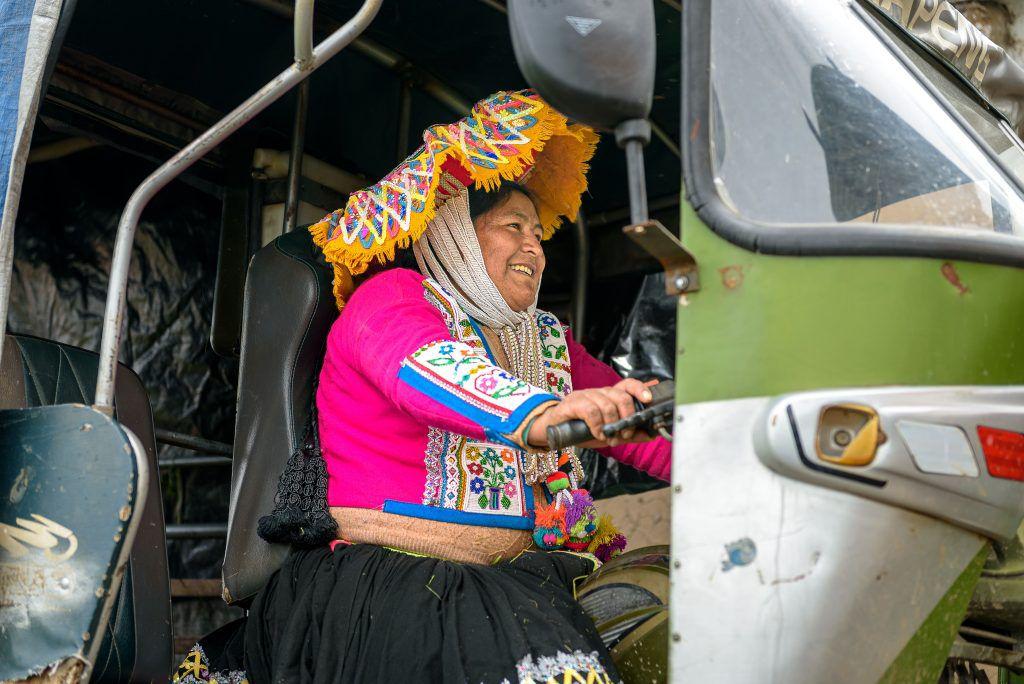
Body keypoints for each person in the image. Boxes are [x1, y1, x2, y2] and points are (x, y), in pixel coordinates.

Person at [175, 89, 670, 684]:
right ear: (453, 232)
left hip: (517, 579)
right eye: (513, 226)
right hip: (396, 585)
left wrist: (720, 447)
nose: (535, 247)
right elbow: (427, 370)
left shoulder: (546, 341)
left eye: (539, 234)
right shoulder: (392, 300)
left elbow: (632, 425)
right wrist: (539, 414)